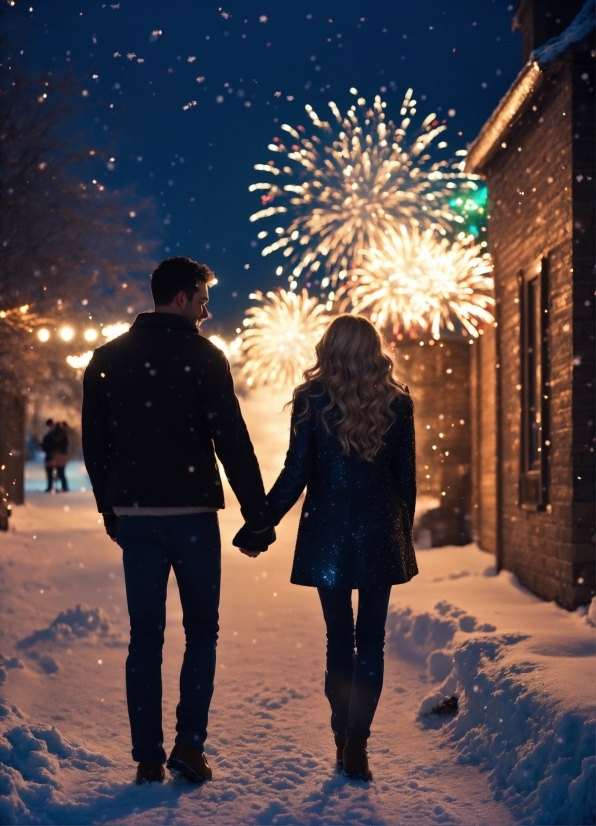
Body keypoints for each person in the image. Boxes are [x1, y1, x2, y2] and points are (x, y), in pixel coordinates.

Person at [82, 256, 274, 786]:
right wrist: (257, 517)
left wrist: (111, 507)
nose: (208, 313)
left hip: (137, 518)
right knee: (201, 632)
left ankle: (147, 757)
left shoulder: (106, 359)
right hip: (192, 516)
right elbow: (231, 441)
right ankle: (189, 745)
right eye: (204, 300)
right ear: (183, 298)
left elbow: (95, 446)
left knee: (144, 636)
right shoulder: (205, 358)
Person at [237, 315, 417, 781]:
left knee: (339, 639)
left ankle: (342, 734)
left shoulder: (310, 401)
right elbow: (406, 480)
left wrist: (262, 522)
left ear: (328, 348)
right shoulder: (397, 403)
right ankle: (358, 741)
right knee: (372, 641)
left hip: (329, 532)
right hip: (380, 531)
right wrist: (403, 533)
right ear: (374, 351)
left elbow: (296, 472)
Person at [51, 422, 69, 492]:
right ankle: (63, 486)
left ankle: (63, 487)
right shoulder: (62, 433)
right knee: (60, 471)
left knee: (60, 471)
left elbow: (57, 441)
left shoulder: (60, 434)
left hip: (59, 454)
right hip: (60, 454)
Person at [40, 419, 56, 492]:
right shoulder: (51, 433)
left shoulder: (53, 434)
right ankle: (50, 486)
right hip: (50, 453)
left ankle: (50, 486)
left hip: (51, 454)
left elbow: (51, 444)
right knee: (49, 471)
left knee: (51, 470)